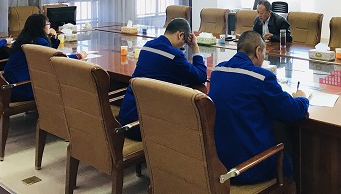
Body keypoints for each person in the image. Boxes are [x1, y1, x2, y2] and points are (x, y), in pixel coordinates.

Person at [209, 31, 309, 185]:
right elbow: (291, 111)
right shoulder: (261, 77)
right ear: (258, 51)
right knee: (294, 159)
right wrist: (302, 98)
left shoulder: (217, 71)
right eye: (264, 54)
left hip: (221, 164)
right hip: (249, 167)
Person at [118, 17, 207, 140]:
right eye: (183, 45)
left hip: (126, 120)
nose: (181, 48)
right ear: (180, 35)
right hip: (145, 127)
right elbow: (200, 76)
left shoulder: (147, 46)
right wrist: (195, 48)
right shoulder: (174, 55)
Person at [3, 13, 85, 102]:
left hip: (11, 85)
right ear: (41, 27)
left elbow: (48, 53)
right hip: (24, 87)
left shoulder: (24, 39)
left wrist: (53, 38)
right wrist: (78, 56)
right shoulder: (40, 42)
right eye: (48, 24)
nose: (50, 26)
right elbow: (56, 59)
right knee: (65, 79)